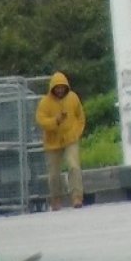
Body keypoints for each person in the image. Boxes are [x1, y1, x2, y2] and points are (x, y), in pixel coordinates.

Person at [35, 71, 85, 210]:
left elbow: (80, 117)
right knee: (53, 174)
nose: (60, 90)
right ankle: (56, 200)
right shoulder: (45, 103)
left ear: (66, 87)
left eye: (62, 87)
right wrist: (55, 121)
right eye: (57, 87)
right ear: (52, 88)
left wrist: (76, 133)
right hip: (52, 143)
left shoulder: (73, 98)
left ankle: (77, 197)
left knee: (74, 166)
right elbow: (41, 121)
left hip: (70, 139)